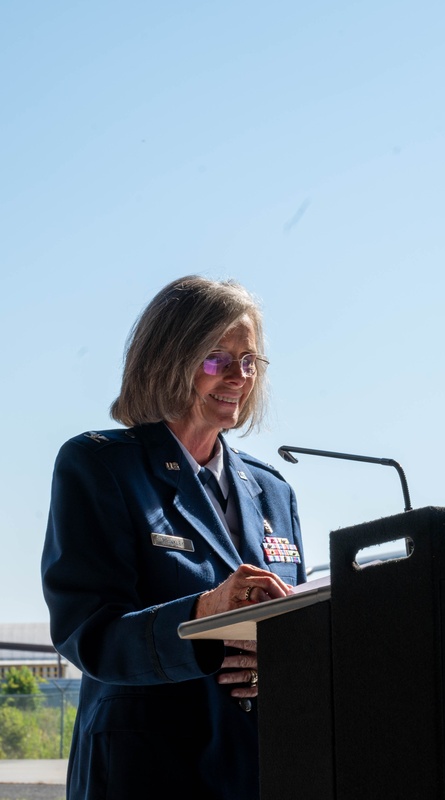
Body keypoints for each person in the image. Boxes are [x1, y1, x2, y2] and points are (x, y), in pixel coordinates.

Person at [41, 276, 307, 800]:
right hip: (147, 772)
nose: (238, 376)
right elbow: (88, 634)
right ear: (168, 359)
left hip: (260, 771)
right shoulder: (100, 466)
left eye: (250, 360)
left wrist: (288, 659)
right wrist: (205, 614)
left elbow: (294, 627)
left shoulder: (274, 491)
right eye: (217, 358)